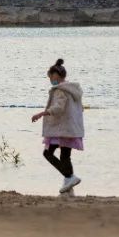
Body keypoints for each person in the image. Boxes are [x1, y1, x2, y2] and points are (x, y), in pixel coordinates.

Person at [31, 58, 84, 195]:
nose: (52, 80)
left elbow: (58, 108)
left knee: (47, 153)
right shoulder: (72, 90)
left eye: (53, 78)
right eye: (50, 78)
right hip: (70, 128)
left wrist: (42, 113)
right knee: (65, 156)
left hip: (61, 129)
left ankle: (69, 177)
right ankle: (69, 186)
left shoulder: (60, 90)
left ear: (59, 76)